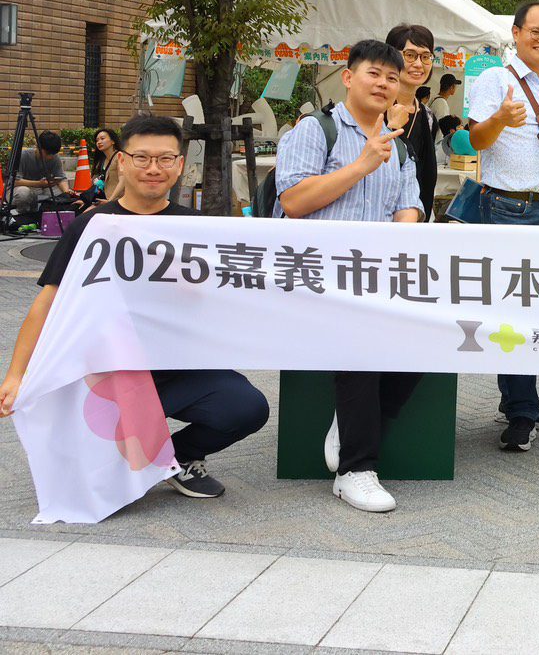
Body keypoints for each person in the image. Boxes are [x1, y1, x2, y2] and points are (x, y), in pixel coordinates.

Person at [0, 115, 268, 499]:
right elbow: (47, 304)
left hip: (177, 368)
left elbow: (223, 303)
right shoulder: (91, 227)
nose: (153, 168)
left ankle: (176, 459)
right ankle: (115, 456)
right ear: (123, 162)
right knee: (98, 484)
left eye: (165, 159)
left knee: (246, 407)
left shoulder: (197, 229)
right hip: (104, 373)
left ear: (179, 164)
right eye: (142, 158)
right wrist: (15, 375)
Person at [274, 39, 423, 512]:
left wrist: (396, 243)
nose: (383, 84)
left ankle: (351, 423)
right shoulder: (317, 130)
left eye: (392, 78)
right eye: (373, 73)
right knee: (363, 339)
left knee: (430, 337)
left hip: (374, 278)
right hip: (315, 278)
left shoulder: (398, 146)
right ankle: (355, 470)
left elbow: (410, 206)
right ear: (348, 77)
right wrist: (362, 165)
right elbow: (293, 202)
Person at [465, 0, 539, 448]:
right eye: (535, 31)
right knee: (513, 310)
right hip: (509, 208)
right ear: (515, 33)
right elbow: (476, 140)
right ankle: (522, 411)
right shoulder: (495, 79)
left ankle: (520, 399)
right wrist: (499, 119)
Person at [384, 24, 439, 219]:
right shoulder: (375, 109)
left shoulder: (428, 117)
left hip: (414, 218)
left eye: (425, 56)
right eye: (410, 55)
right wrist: (391, 128)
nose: (418, 64)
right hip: (377, 217)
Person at [9, 131, 71, 216]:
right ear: (37, 147)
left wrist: (66, 193)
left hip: (43, 188)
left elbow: (61, 178)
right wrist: (39, 184)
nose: (50, 157)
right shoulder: (23, 156)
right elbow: (15, 181)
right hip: (21, 188)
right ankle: (20, 215)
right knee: (23, 193)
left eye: (53, 154)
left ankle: (49, 214)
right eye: (48, 153)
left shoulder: (55, 157)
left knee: (61, 194)